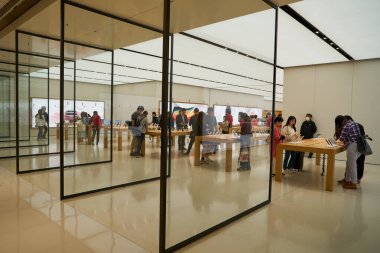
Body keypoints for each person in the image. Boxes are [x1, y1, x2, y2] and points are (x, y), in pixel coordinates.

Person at [336, 115, 366, 185]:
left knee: (352, 166)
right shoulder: (354, 123)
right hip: (359, 145)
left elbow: (341, 139)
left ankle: (353, 183)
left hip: (352, 146)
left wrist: (335, 142)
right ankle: (347, 180)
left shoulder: (346, 126)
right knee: (349, 164)